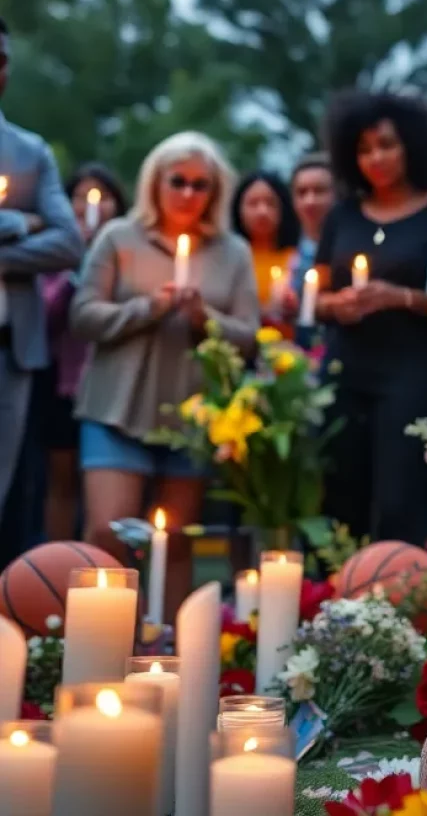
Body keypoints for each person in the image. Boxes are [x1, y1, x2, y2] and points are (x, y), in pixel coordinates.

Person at [71, 131, 260, 612]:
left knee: (175, 540)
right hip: (118, 405)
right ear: (155, 181)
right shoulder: (119, 238)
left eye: (203, 185)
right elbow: (83, 316)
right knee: (106, 533)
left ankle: (172, 655)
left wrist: (204, 319)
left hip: (191, 417)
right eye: (178, 181)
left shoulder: (232, 252)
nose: (189, 194)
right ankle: (104, 643)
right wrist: (145, 310)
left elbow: (249, 336)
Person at [315, 90, 427, 546]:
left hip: (412, 372)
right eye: (364, 148)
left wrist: (400, 297)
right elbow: (312, 297)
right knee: (339, 496)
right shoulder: (342, 215)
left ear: (411, 145)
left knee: (400, 501)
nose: (376, 157)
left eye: (387, 144)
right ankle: (333, 604)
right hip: (345, 371)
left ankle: (400, 606)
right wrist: (335, 306)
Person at [0, 16, 84, 567]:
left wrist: (8, 230)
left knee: (9, 494)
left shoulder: (29, 153)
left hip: (11, 349)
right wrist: (17, 221)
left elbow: (68, 243)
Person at [38, 163, 129, 541]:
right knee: (61, 480)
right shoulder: (56, 250)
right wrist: (77, 265)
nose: (91, 204)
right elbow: (48, 313)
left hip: (113, 385)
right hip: (64, 381)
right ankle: (55, 560)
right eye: (81, 195)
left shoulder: (126, 249)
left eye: (103, 196)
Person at [231, 170, 301, 322]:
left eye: (270, 203)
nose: (262, 211)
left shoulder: (301, 256)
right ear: (238, 209)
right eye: (253, 203)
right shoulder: (227, 257)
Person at [290, 152, 336, 293]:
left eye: (319, 191)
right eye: (302, 192)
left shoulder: (349, 248)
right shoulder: (283, 245)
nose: (310, 201)